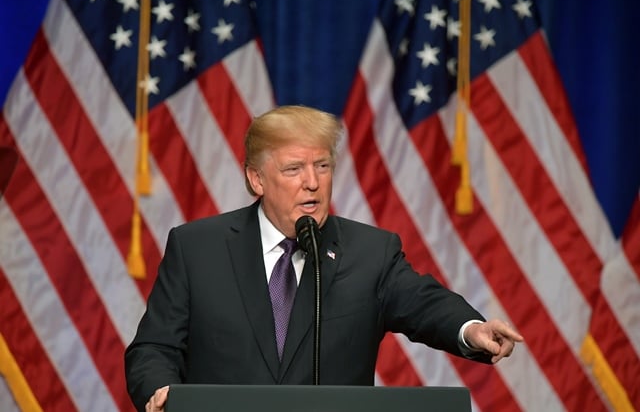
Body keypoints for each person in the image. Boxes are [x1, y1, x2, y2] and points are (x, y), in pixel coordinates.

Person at [124, 105, 524, 412]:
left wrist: (470, 329)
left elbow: (423, 302)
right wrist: (160, 393)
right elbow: (153, 349)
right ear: (256, 179)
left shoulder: (370, 252)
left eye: (322, 166)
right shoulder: (198, 248)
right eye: (294, 168)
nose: (312, 182)